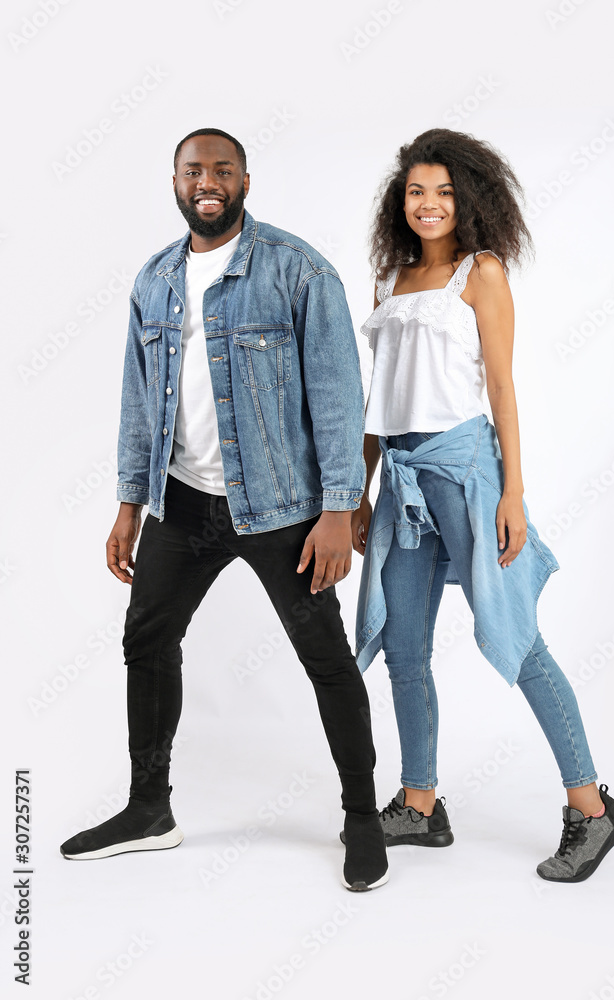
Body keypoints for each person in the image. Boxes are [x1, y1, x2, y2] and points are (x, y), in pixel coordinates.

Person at [60, 128, 388, 892]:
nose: (206, 181)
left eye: (221, 169)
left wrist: (339, 509)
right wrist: (127, 505)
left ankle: (362, 817)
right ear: (174, 182)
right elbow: (139, 401)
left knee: (325, 661)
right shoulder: (155, 280)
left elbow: (339, 399)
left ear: (244, 180)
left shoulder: (296, 269)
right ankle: (149, 810)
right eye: (192, 170)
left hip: (282, 508)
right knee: (147, 640)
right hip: (181, 501)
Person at [351, 128, 614, 882]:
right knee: (404, 650)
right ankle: (419, 804)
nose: (428, 204)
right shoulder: (387, 279)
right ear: (399, 201)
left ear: (467, 199)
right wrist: (360, 490)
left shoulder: (481, 273)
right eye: (416, 191)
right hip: (402, 481)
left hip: (467, 470)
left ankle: (593, 810)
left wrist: (513, 491)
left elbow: (502, 387)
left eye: (443, 192)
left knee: (514, 639)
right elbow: (375, 403)